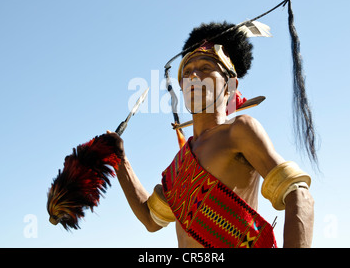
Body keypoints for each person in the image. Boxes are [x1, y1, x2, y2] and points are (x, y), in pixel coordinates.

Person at [109, 22, 315, 248]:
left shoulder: (240, 130)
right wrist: (120, 160)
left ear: (229, 86)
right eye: (186, 72)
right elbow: (151, 219)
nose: (194, 76)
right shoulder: (178, 165)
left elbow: (299, 194)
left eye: (205, 68)